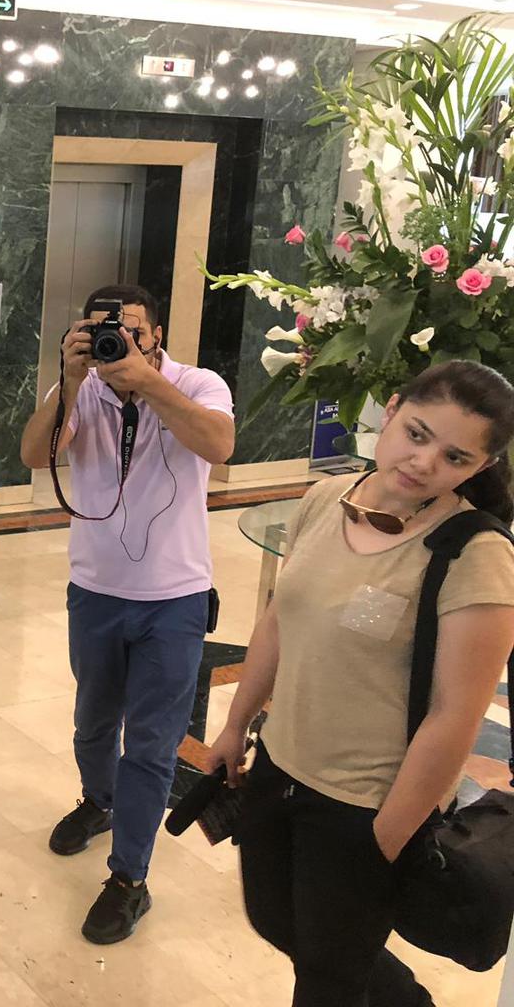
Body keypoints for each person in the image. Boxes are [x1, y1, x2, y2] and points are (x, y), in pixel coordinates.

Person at [209, 360, 514, 1007]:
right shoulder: (325, 499)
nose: (423, 460)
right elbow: (279, 622)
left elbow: (455, 717)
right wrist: (235, 725)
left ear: (480, 468)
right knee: (274, 920)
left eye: (454, 454)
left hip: (364, 806)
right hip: (278, 766)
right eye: (416, 432)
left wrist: (386, 837)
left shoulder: (475, 554)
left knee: (328, 980)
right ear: (392, 408)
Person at [20, 283, 235, 944]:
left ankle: (129, 880)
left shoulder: (198, 383)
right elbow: (34, 454)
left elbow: (219, 446)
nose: (120, 343)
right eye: (103, 332)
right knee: (92, 722)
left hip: (173, 599)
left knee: (149, 744)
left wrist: (149, 384)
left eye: (133, 332)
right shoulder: (80, 387)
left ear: (157, 335)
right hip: (95, 590)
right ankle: (98, 800)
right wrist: (68, 375)